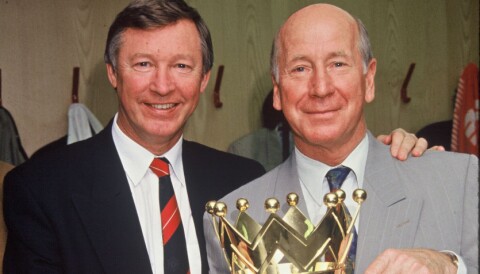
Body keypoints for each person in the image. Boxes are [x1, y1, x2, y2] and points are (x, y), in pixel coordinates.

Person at [3, 1, 431, 273]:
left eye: (182, 67)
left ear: (204, 79)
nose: (163, 86)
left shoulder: (243, 179)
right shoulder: (42, 188)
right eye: (143, 65)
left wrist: (389, 153)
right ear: (113, 74)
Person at [204, 4, 478, 274]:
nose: (321, 88)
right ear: (277, 91)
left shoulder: (456, 180)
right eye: (300, 68)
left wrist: (451, 265)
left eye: (337, 64)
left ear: (369, 80)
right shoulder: (231, 218)